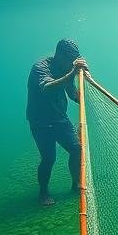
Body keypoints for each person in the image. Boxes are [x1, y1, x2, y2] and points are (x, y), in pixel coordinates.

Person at [26, 38, 88, 205]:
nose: (71, 64)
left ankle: (76, 184)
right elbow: (47, 87)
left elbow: (72, 92)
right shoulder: (40, 68)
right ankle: (43, 192)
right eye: (70, 60)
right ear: (60, 56)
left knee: (76, 149)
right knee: (49, 158)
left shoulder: (66, 69)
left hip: (60, 118)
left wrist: (83, 89)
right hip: (40, 122)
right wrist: (73, 72)